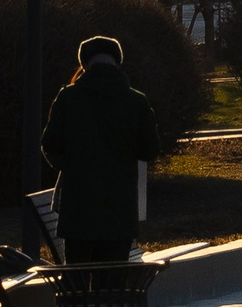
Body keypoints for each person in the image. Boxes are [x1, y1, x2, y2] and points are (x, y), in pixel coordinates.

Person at [38, 33, 162, 263]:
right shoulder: (136, 101)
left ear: (84, 64)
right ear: (118, 62)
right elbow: (150, 150)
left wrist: (73, 167)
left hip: (77, 215)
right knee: (113, 287)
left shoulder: (68, 98)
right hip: (120, 215)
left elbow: (49, 145)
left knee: (78, 286)